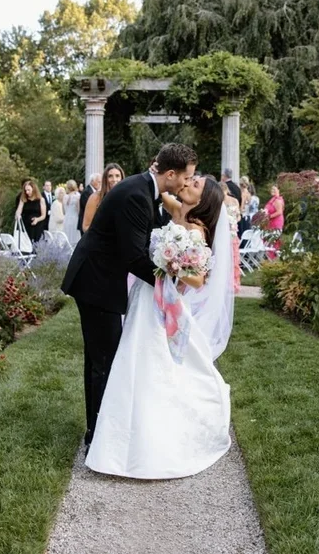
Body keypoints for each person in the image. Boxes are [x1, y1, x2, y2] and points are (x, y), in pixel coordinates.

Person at [85, 174, 234, 479]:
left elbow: (198, 279)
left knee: (152, 362)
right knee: (130, 360)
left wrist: (173, 265)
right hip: (144, 294)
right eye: (190, 180)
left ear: (204, 200)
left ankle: (151, 441)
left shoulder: (197, 230)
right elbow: (157, 187)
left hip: (161, 298)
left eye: (196, 186)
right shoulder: (176, 209)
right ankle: (117, 438)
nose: (189, 184)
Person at [62, 144, 198, 452]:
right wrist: (171, 283)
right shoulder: (137, 194)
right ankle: (98, 438)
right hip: (96, 283)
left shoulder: (141, 188)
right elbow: (134, 258)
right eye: (187, 178)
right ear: (171, 174)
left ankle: (96, 430)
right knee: (103, 361)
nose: (188, 183)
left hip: (97, 280)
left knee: (100, 360)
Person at [82, 164, 124, 232]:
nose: (114, 179)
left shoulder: (126, 197)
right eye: (110, 176)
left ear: (122, 178)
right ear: (105, 179)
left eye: (117, 176)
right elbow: (86, 227)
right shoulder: (95, 197)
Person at [15, 179, 47, 244]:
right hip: (26, 224)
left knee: (36, 243)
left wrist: (37, 219)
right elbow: (19, 210)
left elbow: (43, 215)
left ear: (33, 189)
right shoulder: (23, 199)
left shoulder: (41, 200)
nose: (27, 192)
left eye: (28, 190)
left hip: (37, 225)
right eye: (25, 190)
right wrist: (18, 215)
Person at [264, 184, 285, 260]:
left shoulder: (277, 200)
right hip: (271, 222)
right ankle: (270, 258)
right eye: (271, 189)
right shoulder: (273, 199)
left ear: (278, 190)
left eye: (274, 189)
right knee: (269, 240)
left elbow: (279, 212)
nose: (272, 191)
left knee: (273, 240)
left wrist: (268, 216)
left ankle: (272, 258)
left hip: (276, 223)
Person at [63, 180, 81, 245]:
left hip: (66, 219)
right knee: (75, 238)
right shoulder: (78, 196)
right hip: (75, 219)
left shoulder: (65, 197)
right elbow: (79, 210)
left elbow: (64, 211)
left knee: (67, 237)